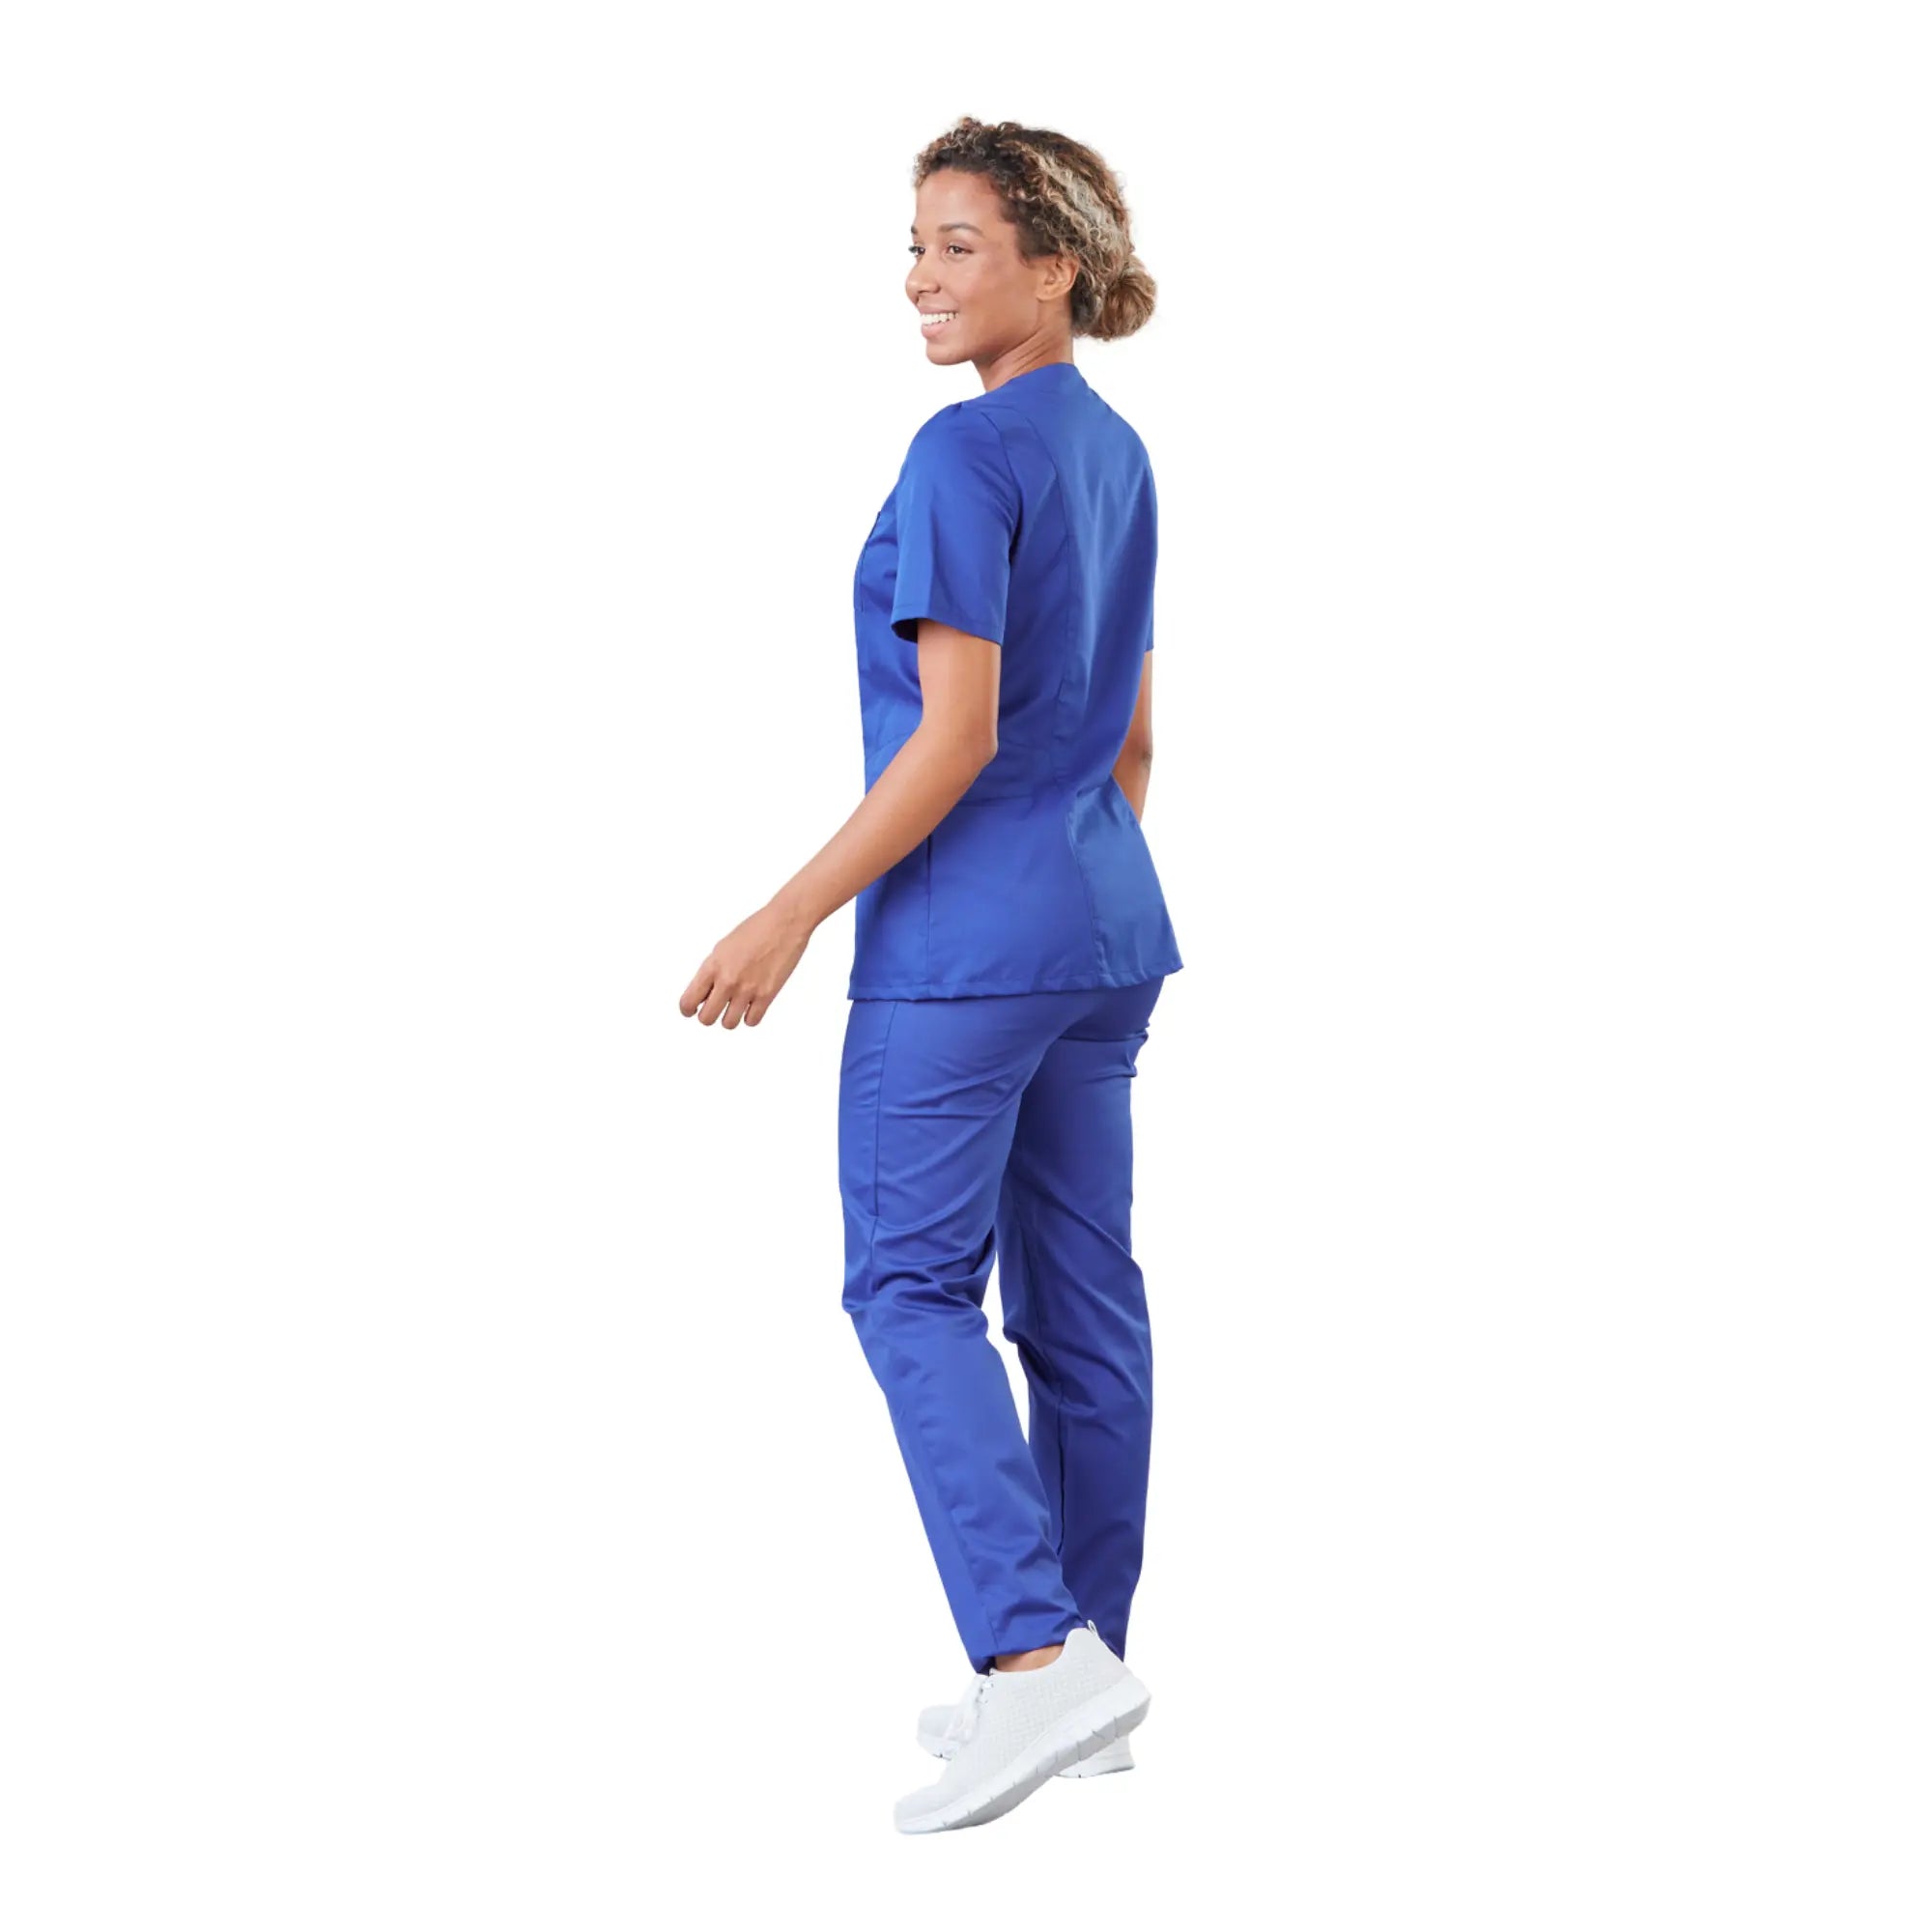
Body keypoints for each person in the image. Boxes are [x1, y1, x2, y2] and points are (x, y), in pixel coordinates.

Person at [678, 116, 1183, 1833]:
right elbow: (1128, 738)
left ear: (1056, 267)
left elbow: (954, 734)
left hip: (964, 948)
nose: (921, 276)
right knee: (1082, 1303)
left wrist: (790, 912)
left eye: (960, 245)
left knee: (906, 1289)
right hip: (1102, 930)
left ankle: (1034, 1660)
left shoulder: (963, 455)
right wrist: (1066, 892)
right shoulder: (1112, 450)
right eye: (914, 244)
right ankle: (1088, 1675)